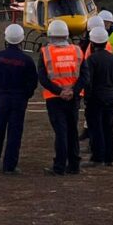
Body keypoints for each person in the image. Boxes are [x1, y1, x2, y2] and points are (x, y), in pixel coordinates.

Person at [0, 24, 38, 175]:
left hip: (2, 97)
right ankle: (10, 165)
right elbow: (32, 82)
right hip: (19, 99)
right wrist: (25, 96)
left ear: (6, 39)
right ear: (21, 40)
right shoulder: (26, 60)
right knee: (14, 132)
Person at [38, 20, 89, 175]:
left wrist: (59, 91)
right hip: (74, 97)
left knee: (61, 132)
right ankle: (74, 165)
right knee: (72, 130)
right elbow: (85, 76)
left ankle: (59, 166)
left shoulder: (46, 52)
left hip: (54, 98)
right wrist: (73, 91)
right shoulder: (77, 51)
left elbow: (43, 78)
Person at [82, 27, 113, 167]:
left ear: (93, 43)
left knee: (96, 128)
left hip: (95, 99)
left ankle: (97, 157)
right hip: (110, 98)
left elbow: (88, 81)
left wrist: (87, 97)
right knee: (108, 128)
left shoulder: (91, 60)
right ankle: (109, 157)